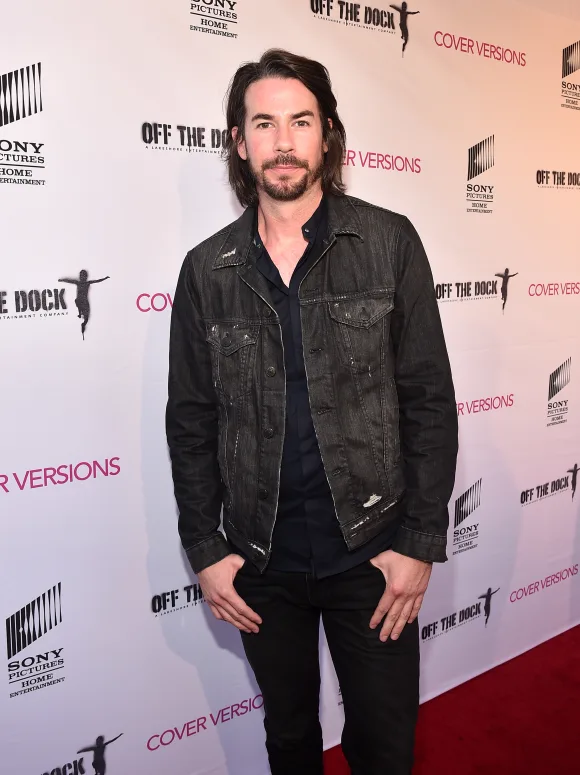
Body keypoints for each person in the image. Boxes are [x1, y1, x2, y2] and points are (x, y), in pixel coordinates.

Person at [166, 49, 458, 775]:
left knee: (385, 747)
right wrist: (206, 549)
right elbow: (192, 418)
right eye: (263, 123)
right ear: (240, 142)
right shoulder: (207, 271)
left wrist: (419, 541)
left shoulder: (389, 243)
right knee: (290, 739)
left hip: (372, 553)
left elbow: (427, 397)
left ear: (328, 134)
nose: (284, 140)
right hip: (260, 561)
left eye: (301, 120)